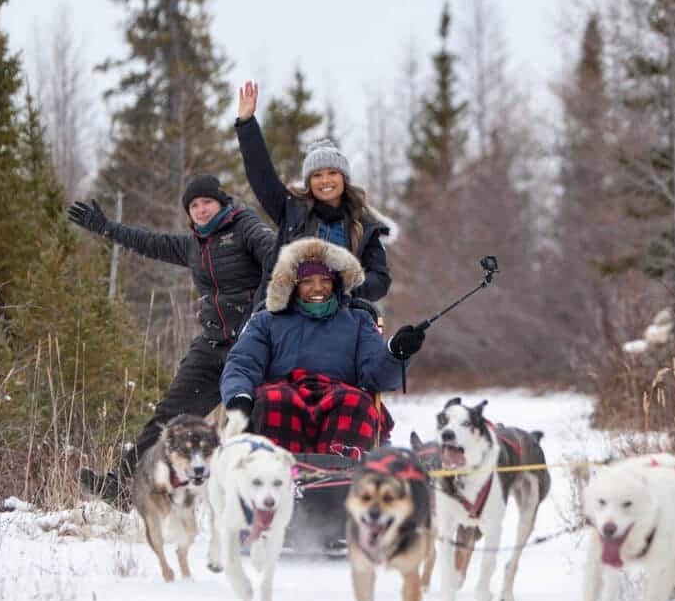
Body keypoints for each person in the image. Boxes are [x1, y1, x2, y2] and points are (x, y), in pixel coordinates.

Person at [67, 174, 277, 509]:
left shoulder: (245, 227)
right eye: (193, 205)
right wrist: (108, 229)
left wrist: (259, 313)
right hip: (212, 345)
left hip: (254, 345)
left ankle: (270, 498)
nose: (201, 209)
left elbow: (277, 258)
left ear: (221, 202)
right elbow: (151, 242)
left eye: (207, 202)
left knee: (258, 422)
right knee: (170, 415)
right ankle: (123, 486)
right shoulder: (194, 245)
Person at [220, 237, 425, 455]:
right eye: (307, 281)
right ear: (293, 285)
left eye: (325, 280)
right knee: (274, 400)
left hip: (340, 395)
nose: (317, 288)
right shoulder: (267, 320)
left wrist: (396, 352)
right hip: (284, 392)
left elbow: (376, 377)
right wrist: (239, 396)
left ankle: (341, 471)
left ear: (336, 283)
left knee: (356, 402)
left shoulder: (359, 320)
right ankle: (277, 470)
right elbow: (242, 363)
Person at [235, 80, 391, 304]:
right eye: (317, 175)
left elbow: (381, 279)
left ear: (344, 178)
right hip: (289, 312)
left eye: (332, 173)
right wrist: (247, 124)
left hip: (341, 312)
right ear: (309, 182)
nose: (325, 181)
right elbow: (262, 175)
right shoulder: (290, 209)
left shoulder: (364, 223)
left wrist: (349, 287)